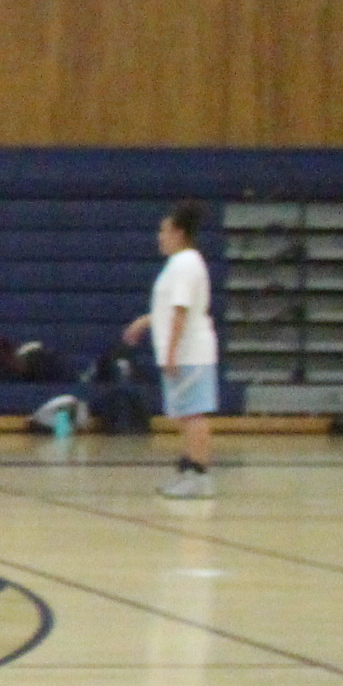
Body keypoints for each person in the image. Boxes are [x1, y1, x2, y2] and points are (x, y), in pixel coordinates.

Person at [122, 200, 220, 498]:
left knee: (193, 414)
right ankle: (187, 469)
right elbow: (171, 309)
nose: (159, 237)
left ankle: (199, 476)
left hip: (190, 352)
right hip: (184, 350)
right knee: (184, 414)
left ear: (179, 233)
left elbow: (180, 311)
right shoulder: (180, 264)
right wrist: (146, 321)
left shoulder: (186, 263)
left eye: (164, 231)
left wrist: (171, 352)